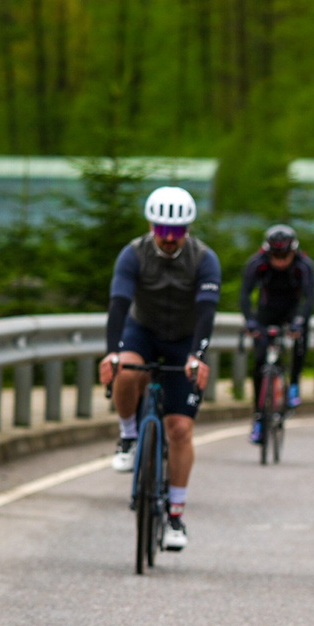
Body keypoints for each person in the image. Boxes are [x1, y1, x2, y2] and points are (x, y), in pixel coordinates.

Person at [103, 187, 220, 551]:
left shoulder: (204, 259)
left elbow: (206, 311)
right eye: (162, 231)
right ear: (152, 227)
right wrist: (111, 353)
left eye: (177, 232)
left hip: (184, 339)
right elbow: (119, 303)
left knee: (180, 428)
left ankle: (175, 515)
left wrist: (197, 355)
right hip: (143, 332)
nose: (169, 240)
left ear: (187, 230)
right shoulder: (133, 254)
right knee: (127, 370)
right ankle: (128, 434)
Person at [240, 223, 314, 443]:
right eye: (276, 256)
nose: (281, 261)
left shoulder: (304, 265)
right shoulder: (257, 264)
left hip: (293, 311)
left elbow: (309, 298)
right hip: (267, 311)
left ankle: (293, 384)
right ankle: (258, 417)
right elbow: (245, 295)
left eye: (285, 256)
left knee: (301, 338)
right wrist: (251, 322)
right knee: (260, 361)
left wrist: (300, 322)